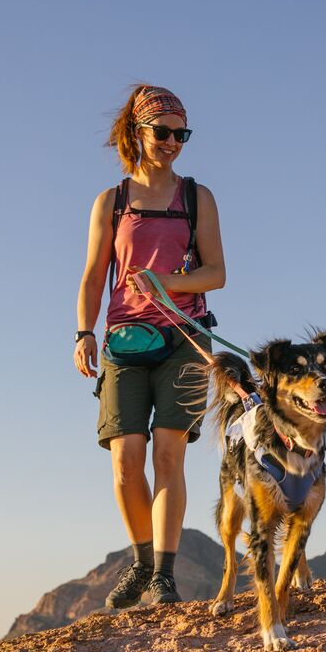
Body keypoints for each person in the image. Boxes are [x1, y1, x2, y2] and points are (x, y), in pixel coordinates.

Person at [74, 84, 226, 609]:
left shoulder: (196, 197)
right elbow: (95, 275)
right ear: (138, 132)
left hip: (185, 337)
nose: (172, 142)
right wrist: (84, 332)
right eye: (163, 132)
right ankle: (140, 561)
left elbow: (216, 273)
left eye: (181, 134)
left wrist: (166, 283)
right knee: (124, 461)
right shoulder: (111, 202)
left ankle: (163, 573)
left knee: (168, 454)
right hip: (123, 340)